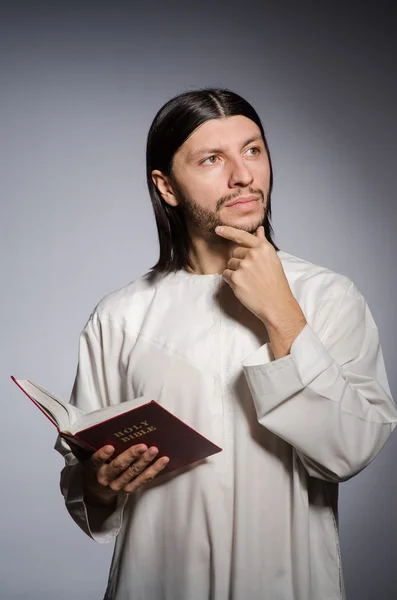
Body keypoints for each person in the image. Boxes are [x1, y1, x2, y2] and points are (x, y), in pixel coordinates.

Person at [56, 88, 397, 600]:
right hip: (158, 582)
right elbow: (86, 477)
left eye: (253, 150)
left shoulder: (327, 296)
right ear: (166, 186)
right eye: (212, 159)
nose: (243, 175)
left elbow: (350, 450)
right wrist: (101, 482)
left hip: (287, 582)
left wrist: (281, 311)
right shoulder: (119, 317)